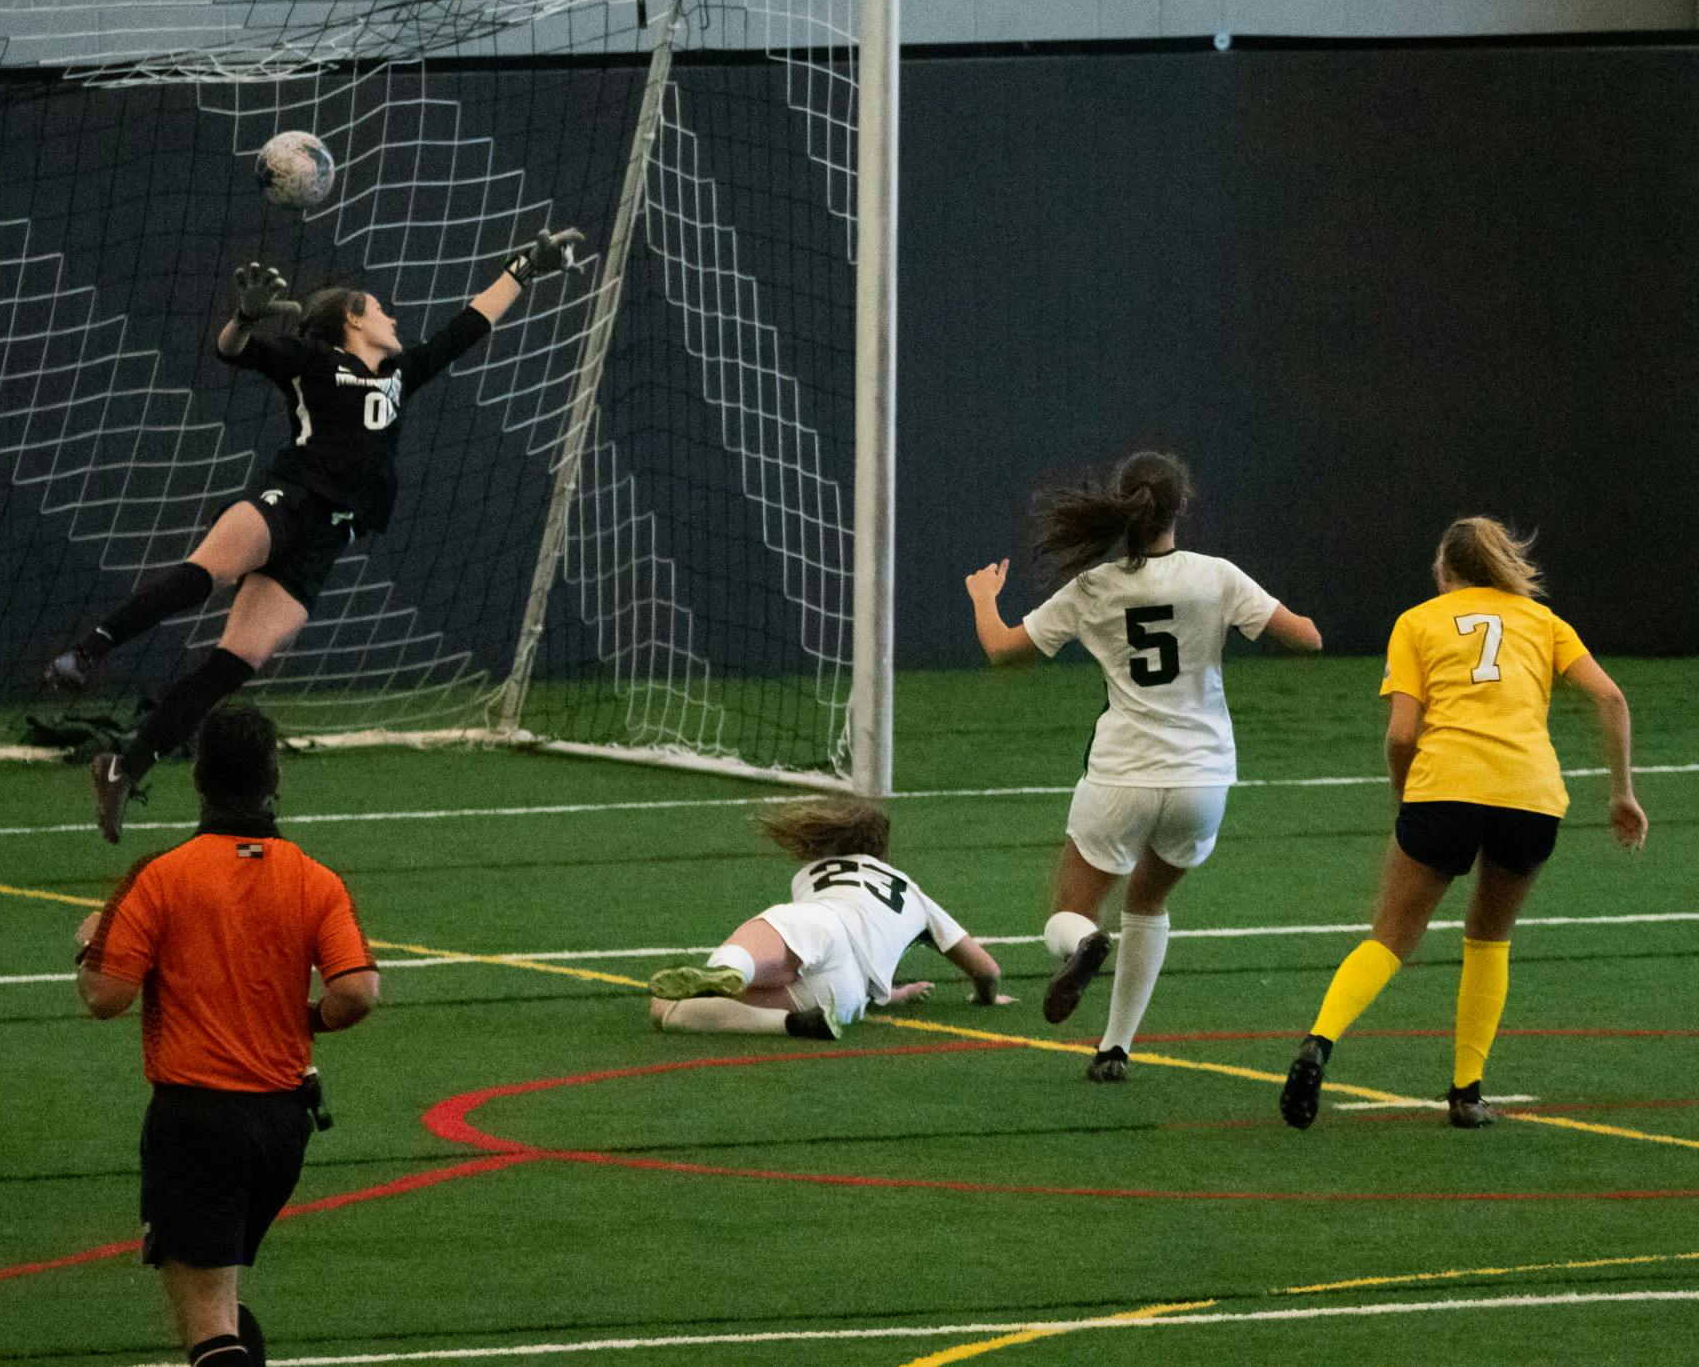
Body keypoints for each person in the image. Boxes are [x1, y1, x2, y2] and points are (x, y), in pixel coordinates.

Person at [46, 226, 588, 842]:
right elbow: (236, 351)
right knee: (205, 574)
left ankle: (124, 765)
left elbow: (468, 325)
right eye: (379, 308)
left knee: (236, 661)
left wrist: (524, 265)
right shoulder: (314, 361)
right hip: (290, 499)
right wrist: (244, 318)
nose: (392, 315)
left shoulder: (401, 374)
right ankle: (87, 652)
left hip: (330, 536)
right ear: (353, 319)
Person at [965, 450, 1321, 1082]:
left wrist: (984, 597)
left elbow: (1001, 651)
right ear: (1181, 507)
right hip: (1202, 777)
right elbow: (1306, 638)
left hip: (1121, 776)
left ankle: (1082, 946)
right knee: (1148, 905)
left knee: (1070, 912)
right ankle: (1115, 1047)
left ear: (1121, 507)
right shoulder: (1216, 576)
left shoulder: (1092, 587)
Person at [1279, 517, 1646, 1130]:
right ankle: (1467, 1092)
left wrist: (1406, 793)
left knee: (1390, 938)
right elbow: (1610, 697)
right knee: (1488, 940)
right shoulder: (1544, 622)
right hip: (1530, 797)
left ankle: (1320, 1041)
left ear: (1445, 568)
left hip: (1444, 792)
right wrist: (1622, 793)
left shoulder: (1417, 621)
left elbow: (1402, 732)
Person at [76, 701, 377, 1367]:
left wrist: (88, 945)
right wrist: (307, 1020)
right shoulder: (315, 878)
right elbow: (356, 990)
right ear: (275, 779)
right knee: (223, 1299)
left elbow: (106, 996)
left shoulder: (162, 875)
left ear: (199, 780)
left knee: (207, 1317)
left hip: (196, 1121)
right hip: (281, 1127)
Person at [646, 796, 1007, 1039]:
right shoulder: (913, 894)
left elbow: (801, 951)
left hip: (823, 923)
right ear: (882, 852)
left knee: (668, 1004)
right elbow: (986, 970)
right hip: (846, 993)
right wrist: (985, 997)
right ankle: (795, 1023)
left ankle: (734, 970)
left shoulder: (811, 875)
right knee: (677, 1008)